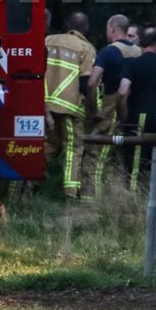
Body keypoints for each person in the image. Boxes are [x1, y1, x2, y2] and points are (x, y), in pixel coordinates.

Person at [81, 14, 141, 197]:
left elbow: (92, 83)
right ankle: (123, 193)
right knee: (124, 154)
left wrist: (93, 111)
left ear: (113, 29)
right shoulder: (139, 51)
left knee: (96, 152)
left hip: (112, 107)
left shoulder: (108, 51)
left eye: (108, 29)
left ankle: (91, 197)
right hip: (134, 109)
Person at [42, 11, 95, 200]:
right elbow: (86, 83)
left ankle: (26, 182)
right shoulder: (86, 49)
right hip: (70, 107)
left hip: (45, 105)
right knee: (74, 148)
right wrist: (91, 109)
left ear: (67, 25)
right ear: (86, 28)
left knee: (47, 145)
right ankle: (71, 194)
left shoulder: (48, 40)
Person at [118, 27, 156, 189]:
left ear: (140, 42)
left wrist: (123, 117)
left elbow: (123, 92)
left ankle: (133, 197)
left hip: (140, 117)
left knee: (136, 160)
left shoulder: (132, 64)